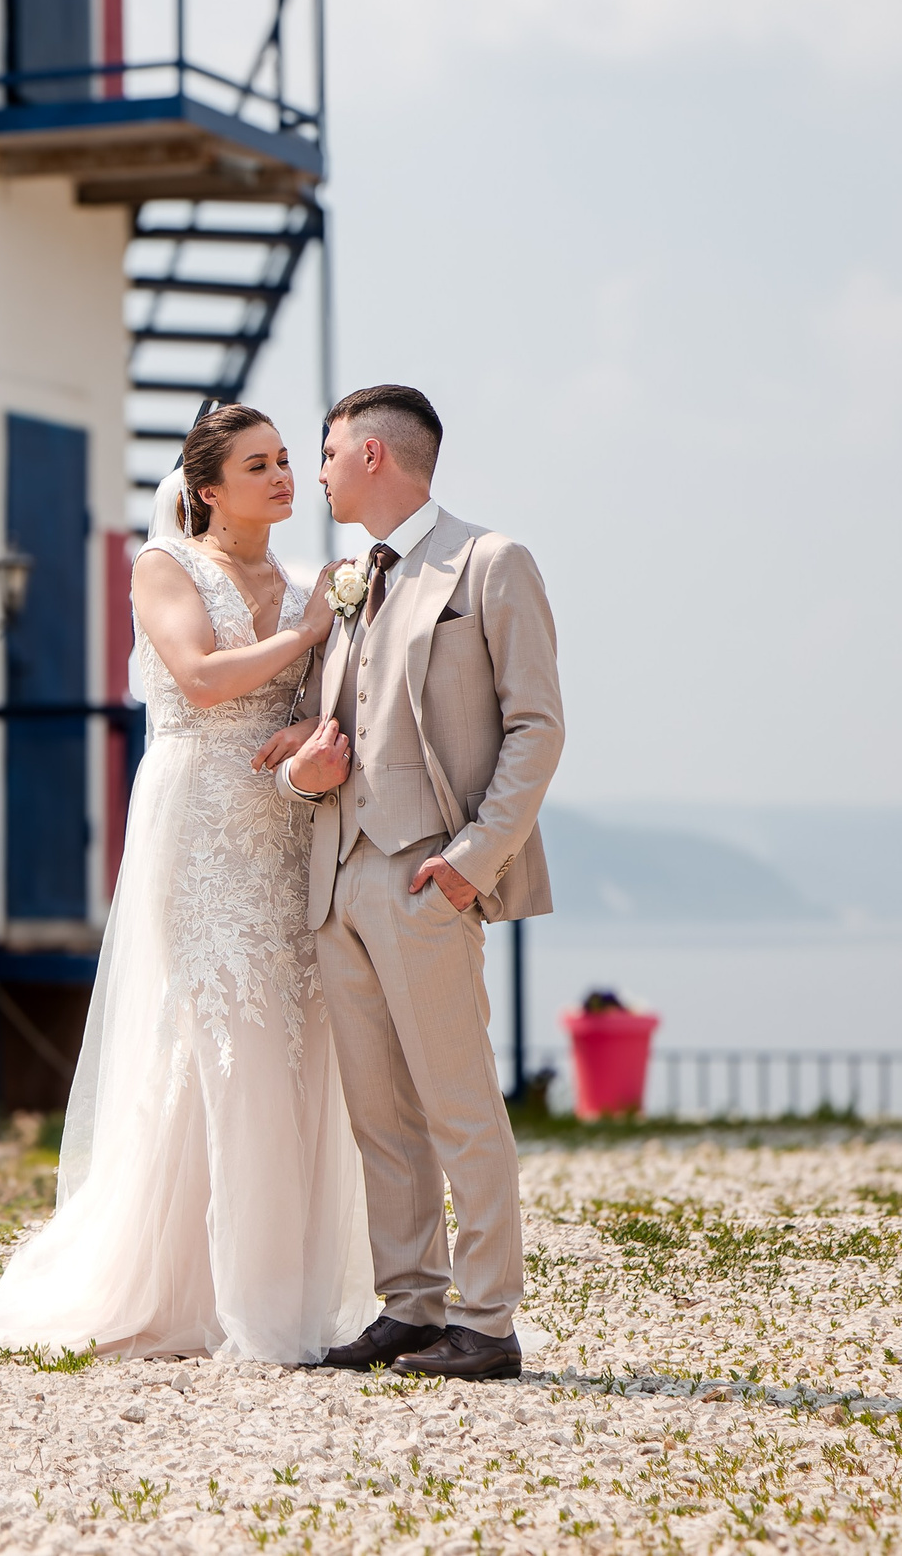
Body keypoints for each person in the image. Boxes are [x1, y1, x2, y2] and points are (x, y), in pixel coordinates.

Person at [0, 404, 377, 1363]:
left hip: (281, 824)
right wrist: (305, 634)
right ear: (207, 488)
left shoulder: (307, 584)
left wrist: (308, 726)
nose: (283, 475)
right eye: (257, 463)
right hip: (197, 822)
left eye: (288, 459)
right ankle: (191, 1292)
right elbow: (203, 675)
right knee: (222, 1027)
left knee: (289, 1036)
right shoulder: (168, 569)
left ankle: (261, 1287)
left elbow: (315, 702)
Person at [259, 383, 562, 1381]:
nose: (317, 472)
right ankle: (410, 1305)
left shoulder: (488, 562)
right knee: (377, 1113)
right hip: (337, 875)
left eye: (329, 451)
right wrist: (307, 766)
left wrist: (472, 862)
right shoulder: (347, 579)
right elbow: (336, 721)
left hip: (428, 874)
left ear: (374, 456)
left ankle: (487, 1321)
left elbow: (535, 728)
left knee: (457, 1102)